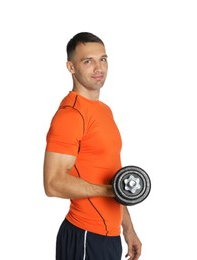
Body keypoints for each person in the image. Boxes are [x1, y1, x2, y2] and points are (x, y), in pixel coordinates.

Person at [43, 32, 142, 260]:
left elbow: (112, 173)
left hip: (109, 235)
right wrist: (111, 191)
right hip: (85, 235)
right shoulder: (71, 115)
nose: (98, 68)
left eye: (103, 59)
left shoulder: (103, 110)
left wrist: (128, 228)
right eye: (88, 61)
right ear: (71, 67)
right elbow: (53, 183)